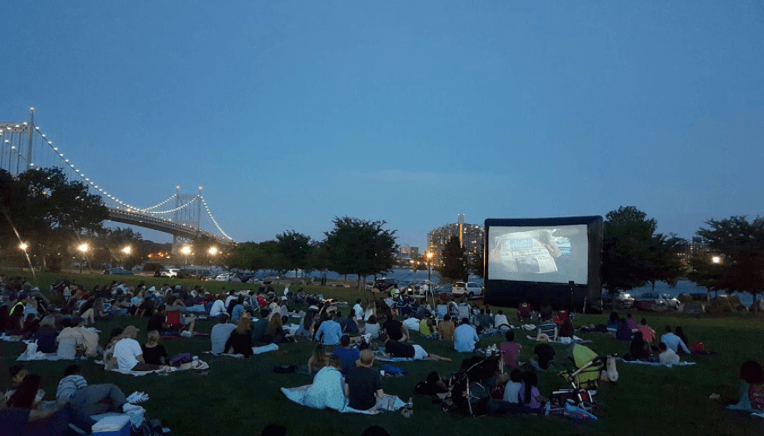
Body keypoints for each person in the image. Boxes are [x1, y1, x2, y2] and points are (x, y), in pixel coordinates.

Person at [55, 364, 143, 416]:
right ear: (77, 372)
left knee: (108, 407)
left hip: (70, 410)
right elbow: (85, 393)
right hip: (73, 398)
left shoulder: (61, 382)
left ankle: (121, 403)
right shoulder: (76, 377)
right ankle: (125, 404)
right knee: (111, 387)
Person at [379, 333, 450, 361]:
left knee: (425, 358)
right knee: (428, 354)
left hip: (413, 354)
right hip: (415, 347)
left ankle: (434, 360)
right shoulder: (393, 341)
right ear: (387, 336)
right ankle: (443, 358)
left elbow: (388, 356)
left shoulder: (388, 346)